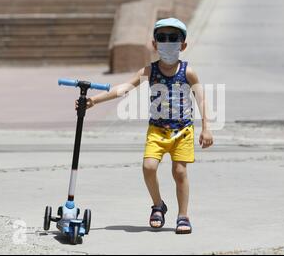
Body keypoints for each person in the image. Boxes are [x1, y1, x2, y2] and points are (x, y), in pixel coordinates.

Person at [76, 17, 214, 234]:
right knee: (148, 167)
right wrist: (95, 100)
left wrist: (206, 128)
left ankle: (183, 215)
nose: (167, 42)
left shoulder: (188, 72)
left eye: (173, 38)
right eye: (162, 38)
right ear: (154, 44)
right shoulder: (149, 71)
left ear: (183, 45)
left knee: (179, 172)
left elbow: (202, 99)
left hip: (183, 131)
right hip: (157, 131)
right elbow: (123, 88)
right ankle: (158, 205)